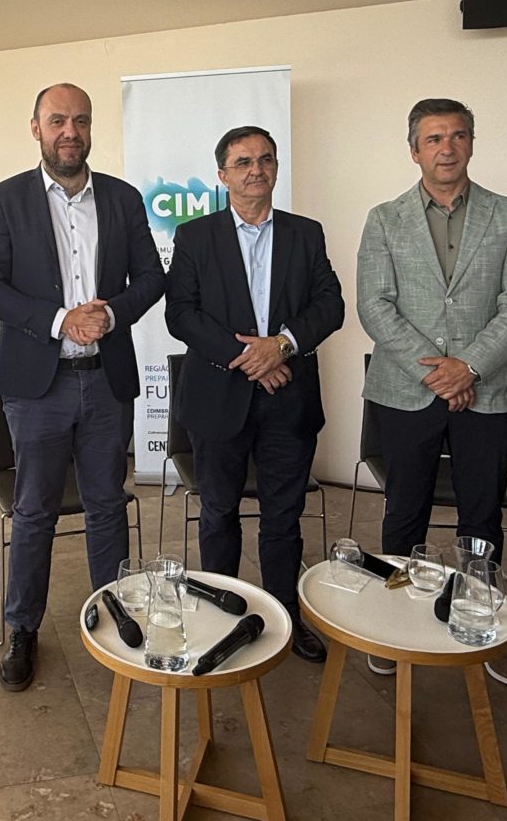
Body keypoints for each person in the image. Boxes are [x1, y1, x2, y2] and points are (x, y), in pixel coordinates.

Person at [0, 82, 166, 691]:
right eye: (57, 121)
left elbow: (152, 278)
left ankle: (113, 615)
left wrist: (110, 314)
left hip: (106, 382)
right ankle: (23, 628)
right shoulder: (8, 199)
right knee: (34, 512)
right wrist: (60, 320)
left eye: (80, 121)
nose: (70, 132)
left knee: (107, 505)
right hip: (39, 387)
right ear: (36, 128)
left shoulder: (123, 198)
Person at [357, 97, 507, 689]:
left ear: (471, 144)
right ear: (414, 151)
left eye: (458, 136)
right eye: (433, 139)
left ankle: (480, 623)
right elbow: (374, 305)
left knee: (482, 512)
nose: (447, 148)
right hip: (407, 390)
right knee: (403, 509)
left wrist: (471, 368)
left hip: (488, 388)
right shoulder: (385, 219)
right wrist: (439, 373)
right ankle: (395, 625)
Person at [164, 125, 344, 661]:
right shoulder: (195, 236)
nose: (256, 170)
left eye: (265, 159)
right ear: (223, 175)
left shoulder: (305, 234)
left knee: (283, 517)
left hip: (289, 400)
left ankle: (285, 617)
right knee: (218, 513)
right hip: (218, 399)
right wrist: (250, 359)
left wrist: (281, 346)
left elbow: (330, 305)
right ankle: (222, 619)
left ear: (276, 168)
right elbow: (181, 314)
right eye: (243, 162)